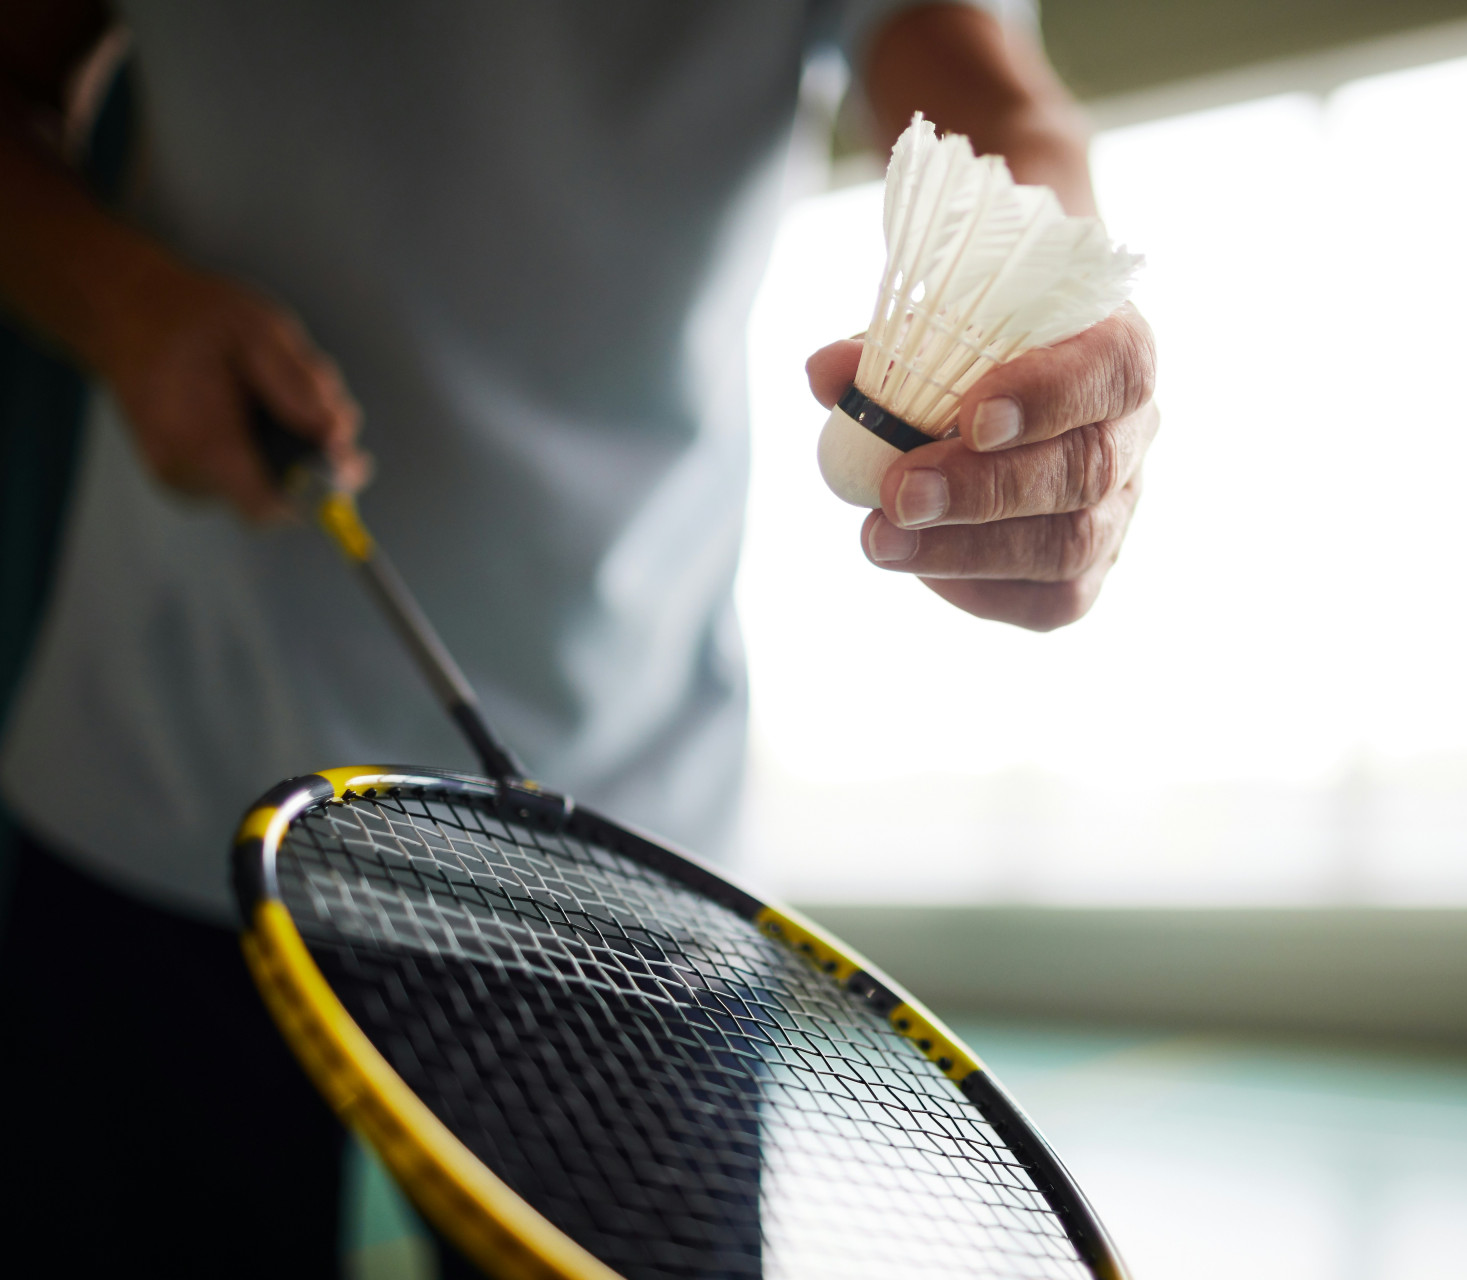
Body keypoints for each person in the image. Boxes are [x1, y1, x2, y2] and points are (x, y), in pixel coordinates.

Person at [0, 1, 1158, 1274]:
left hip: (630, 866)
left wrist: (1055, 353)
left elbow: (999, 106)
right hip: (160, 778)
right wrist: (122, 302)